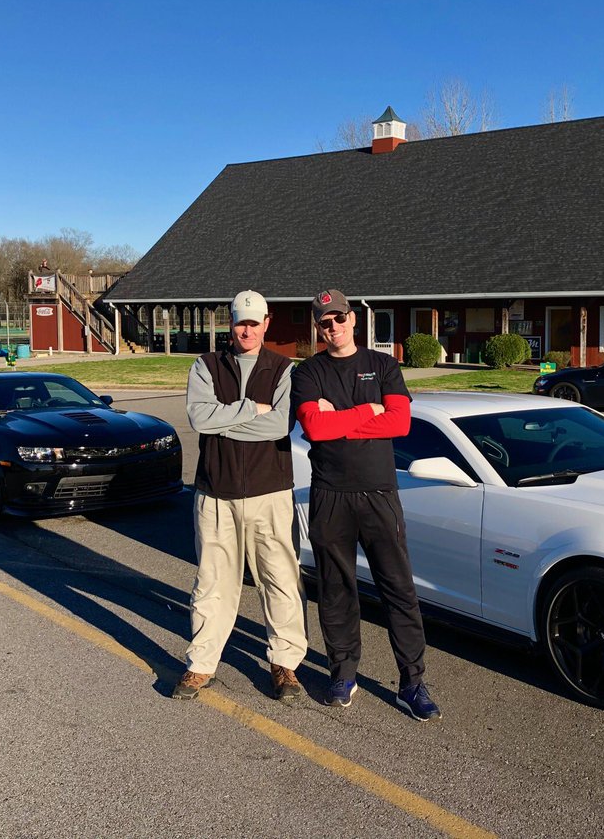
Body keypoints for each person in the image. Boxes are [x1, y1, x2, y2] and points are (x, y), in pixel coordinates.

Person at [290, 289, 441, 721]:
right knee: (336, 589)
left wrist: (339, 416)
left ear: (353, 319)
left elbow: (400, 421)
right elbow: (315, 431)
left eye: (338, 318)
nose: (332, 326)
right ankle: (343, 673)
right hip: (330, 494)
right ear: (317, 327)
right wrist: (365, 412)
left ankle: (412, 683)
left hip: (378, 493)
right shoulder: (309, 372)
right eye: (324, 321)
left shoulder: (383, 365)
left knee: (398, 589)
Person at [172, 290, 308, 703]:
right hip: (216, 493)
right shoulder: (207, 365)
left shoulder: (284, 369)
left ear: (267, 324)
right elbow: (198, 417)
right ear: (229, 324)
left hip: (271, 492)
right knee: (213, 582)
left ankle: (285, 665)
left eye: (254, 322)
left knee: (280, 580)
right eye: (239, 322)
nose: (246, 330)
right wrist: (253, 409)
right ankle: (201, 664)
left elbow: (280, 426)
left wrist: (225, 418)